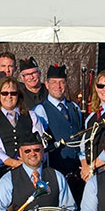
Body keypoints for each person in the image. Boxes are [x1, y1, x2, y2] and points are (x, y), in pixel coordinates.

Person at [0, 132, 76, 211]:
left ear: (42, 151)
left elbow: (69, 209)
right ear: (20, 153)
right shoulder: (8, 179)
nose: (32, 154)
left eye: (36, 150)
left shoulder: (57, 176)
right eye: (27, 151)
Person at [33, 64, 83, 200]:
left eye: (61, 82)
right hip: (55, 170)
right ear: (47, 84)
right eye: (54, 82)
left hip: (76, 172)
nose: (58, 86)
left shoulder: (74, 108)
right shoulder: (40, 110)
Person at [0, 76, 44, 176]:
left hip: (31, 171)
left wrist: (28, 162)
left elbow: (41, 143)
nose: (9, 96)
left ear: (18, 95)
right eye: (5, 93)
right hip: (3, 172)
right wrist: (14, 163)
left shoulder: (31, 116)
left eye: (13, 93)